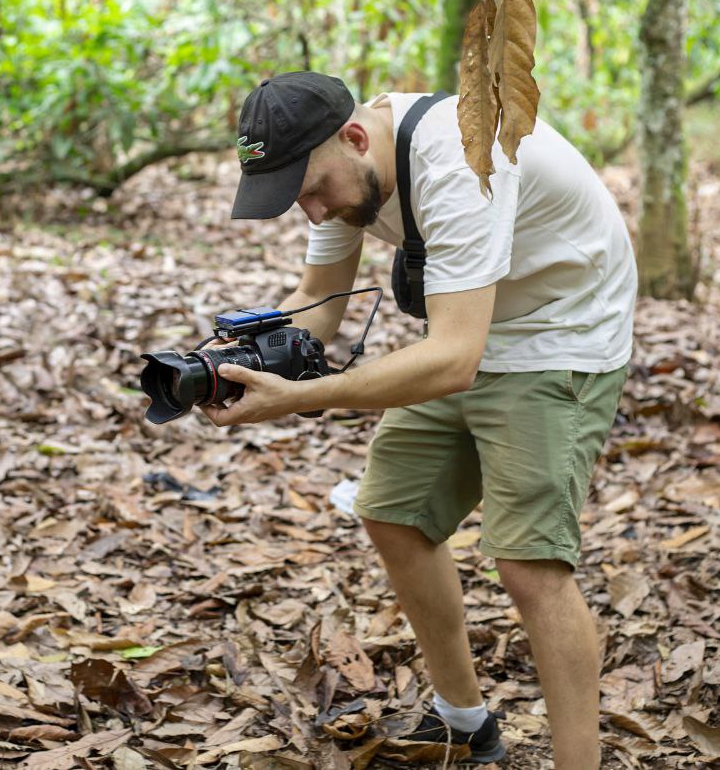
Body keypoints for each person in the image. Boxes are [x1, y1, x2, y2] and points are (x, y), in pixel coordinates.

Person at [199, 71, 636, 768]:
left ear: (353, 137)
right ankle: (465, 723)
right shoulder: (348, 174)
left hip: (562, 331)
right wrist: (244, 358)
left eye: (312, 191)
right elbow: (320, 300)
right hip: (470, 323)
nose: (311, 213)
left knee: (530, 565)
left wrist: (297, 397)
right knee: (394, 510)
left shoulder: (460, 158)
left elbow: (451, 361)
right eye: (295, 200)